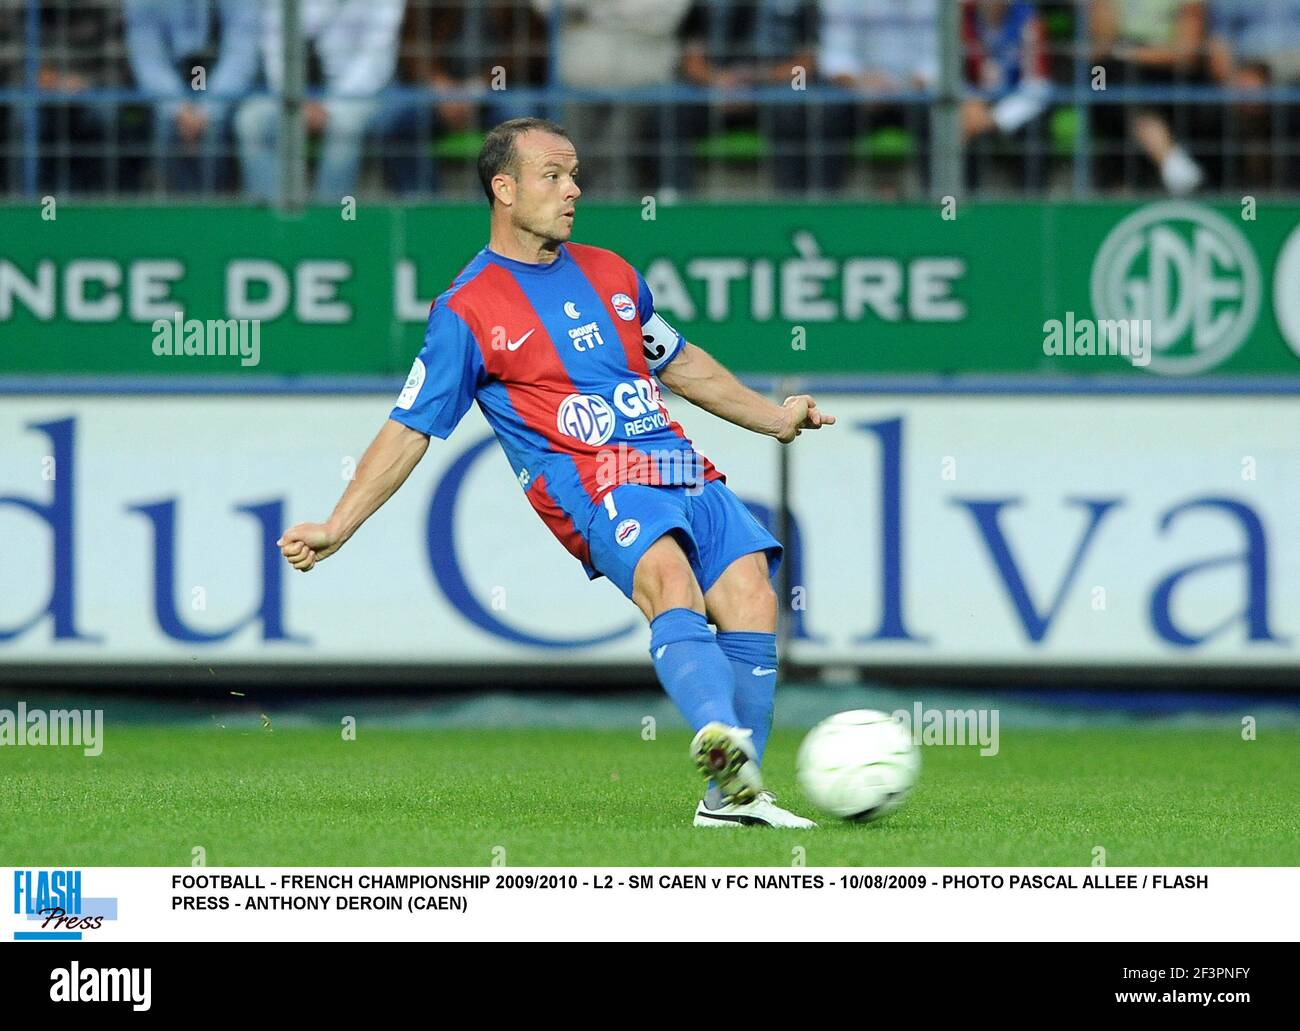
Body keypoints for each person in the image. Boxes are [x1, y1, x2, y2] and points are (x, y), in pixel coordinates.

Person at [276, 118, 834, 828]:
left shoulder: (613, 272)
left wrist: (775, 418)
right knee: (671, 581)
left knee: (753, 592)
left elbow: (681, 362)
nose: (573, 189)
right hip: (592, 478)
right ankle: (719, 741)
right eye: (553, 176)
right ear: (503, 189)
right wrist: (337, 524)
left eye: (574, 175)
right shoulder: (467, 308)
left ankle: (731, 798)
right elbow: (411, 425)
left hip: (674, 457)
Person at [234, 0, 404, 202]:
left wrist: (329, 105)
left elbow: (376, 58)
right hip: (296, 90)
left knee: (344, 122)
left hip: (364, 92)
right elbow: (275, 42)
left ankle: (331, 222)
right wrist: (295, 98)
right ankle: (277, 220)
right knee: (251, 119)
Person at [124, 0, 261, 194]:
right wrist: (178, 108)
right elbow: (147, 59)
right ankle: (178, 211)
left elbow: (241, 56)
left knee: (216, 127)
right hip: (172, 87)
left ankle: (216, 208)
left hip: (222, 87)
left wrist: (208, 111)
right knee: (168, 124)